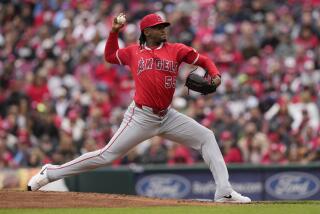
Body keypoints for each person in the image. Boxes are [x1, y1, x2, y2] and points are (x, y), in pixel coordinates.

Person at [27, 13, 251, 203]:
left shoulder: (176, 49)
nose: (163, 29)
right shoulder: (133, 52)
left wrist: (216, 75)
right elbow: (109, 56)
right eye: (158, 27)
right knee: (106, 155)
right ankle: (51, 172)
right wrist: (114, 31)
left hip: (167, 116)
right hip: (141, 116)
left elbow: (204, 60)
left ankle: (224, 192)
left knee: (207, 137)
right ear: (147, 32)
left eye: (164, 26)